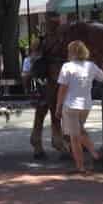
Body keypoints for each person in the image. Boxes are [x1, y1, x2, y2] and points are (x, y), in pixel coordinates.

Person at [58, 40, 103, 174]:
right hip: (86, 105)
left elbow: (62, 89)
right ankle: (85, 162)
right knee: (79, 133)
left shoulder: (66, 67)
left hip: (70, 105)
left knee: (75, 137)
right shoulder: (91, 66)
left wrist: (58, 107)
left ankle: (91, 158)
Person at [30, 13, 67, 159]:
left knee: (42, 110)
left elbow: (34, 57)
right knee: (54, 108)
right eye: (56, 22)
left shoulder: (42, 40)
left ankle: (36, 140)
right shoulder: (56, 40)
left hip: (43, 79)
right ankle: (58, 140)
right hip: (51, 79)